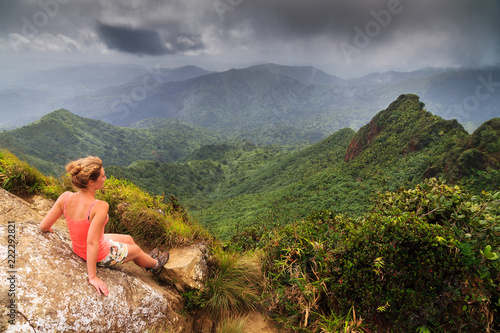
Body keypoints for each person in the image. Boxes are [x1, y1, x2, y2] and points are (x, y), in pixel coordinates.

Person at [39, 156, 169, 296]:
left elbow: (44, 225)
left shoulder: (65, 197)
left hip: (79, 248)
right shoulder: (99, 206)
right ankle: (155, 265)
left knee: (129, 239)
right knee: (136, 250)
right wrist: (92, 277)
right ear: (91, 182)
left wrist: (47, 229)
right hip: (100, 254)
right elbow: (92, 242)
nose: (105, 178)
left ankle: (146, 259)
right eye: (103, 176)